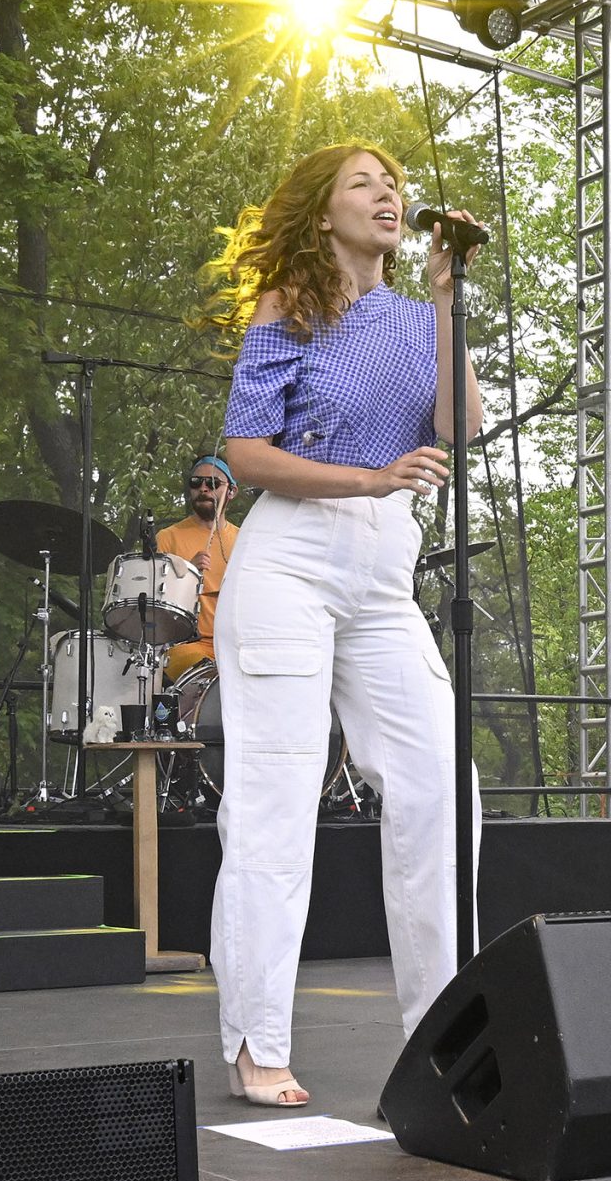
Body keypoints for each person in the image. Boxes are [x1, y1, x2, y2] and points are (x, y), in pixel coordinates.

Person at [207, 141, 484, 1107]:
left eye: (395, 184)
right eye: (364, 183)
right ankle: (257, 1042)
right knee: (275, 804)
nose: (388, 194)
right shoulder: (290, 305)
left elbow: (463, 426)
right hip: (289, 558)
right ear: (324, 214)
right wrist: (372, 475)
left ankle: (442, 1035)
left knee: (439, 784)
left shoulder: (419, 317)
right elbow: (246, 453)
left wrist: (448, 302)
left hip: (383, 575)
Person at [156, 456, 239, 679]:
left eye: (212, 483)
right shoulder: (168, 537)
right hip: (190, 645)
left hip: (238, 644)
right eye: (196, 482)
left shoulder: (245, 540)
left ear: (231, 491)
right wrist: (188, 573)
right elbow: (156, 604)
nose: (203, 488)